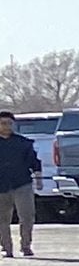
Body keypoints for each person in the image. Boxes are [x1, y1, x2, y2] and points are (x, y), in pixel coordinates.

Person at [0, 111, 35, 258]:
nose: (7, 126)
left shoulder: (23, 142)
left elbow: (33, 161)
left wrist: (38, 177)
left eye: (9, 123)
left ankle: (26, 246)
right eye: (3, 123)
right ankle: (6, 247)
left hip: (22, 184)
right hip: (1, 186)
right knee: (2, 219)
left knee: (27, 217)